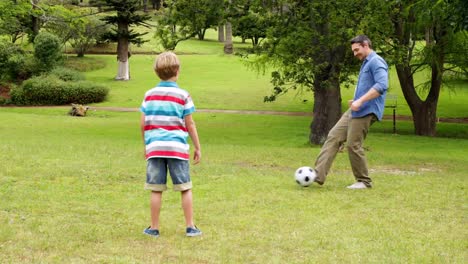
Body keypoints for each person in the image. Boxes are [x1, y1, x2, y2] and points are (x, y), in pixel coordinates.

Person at [313, 35, 389, 189]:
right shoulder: (366, 63)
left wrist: (361, 101)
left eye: (356, 50)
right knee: (334, 136)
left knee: (353, 144)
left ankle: (364, 181)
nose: (355, 54)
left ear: (366, 45)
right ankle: (317, 175)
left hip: (367, 110)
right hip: (356, 108)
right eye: (353, 51)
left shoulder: (376, 61)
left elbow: (382, 85)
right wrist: (356, 100)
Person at [140, 51, 202, 237]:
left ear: (156, 72)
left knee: (156, 188)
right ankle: (190, 226)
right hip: (177, 149)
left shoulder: (149, 95)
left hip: (155, 148)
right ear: (178, 70)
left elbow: (143, 123)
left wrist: (146, 145)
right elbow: (189, 123)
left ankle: (154, 228)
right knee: (185, 187)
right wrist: (197, 146)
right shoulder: (183, 95)